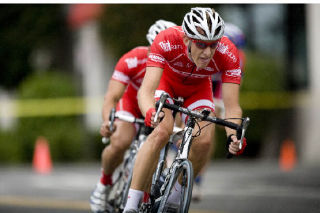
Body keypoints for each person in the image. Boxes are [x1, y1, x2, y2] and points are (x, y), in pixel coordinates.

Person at [123, 7, 247, 213]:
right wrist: (149, 112)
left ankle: (175, 197)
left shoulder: (228, 53)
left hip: (199, 90)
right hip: (167, 84)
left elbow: (232, 106)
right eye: (201, 44)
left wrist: (234, 136)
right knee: (162, 130)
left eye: (213, 45)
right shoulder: (167, 40)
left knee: (205, 140)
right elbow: (146, 90)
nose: (208, 52)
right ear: (187, 39)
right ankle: (131, 204)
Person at [89, 19, 177, 213]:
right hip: (132, 107)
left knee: (159, 145)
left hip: (160, 108)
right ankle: (104, 185)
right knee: (121, 141)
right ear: (149, 45)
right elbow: (112, 96)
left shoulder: (176, 67)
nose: (161, 57)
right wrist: (107, 121)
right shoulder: (133, 59)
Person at [192, 21, 247, 202]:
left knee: (211, 127)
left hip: (220, 82)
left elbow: (239, 67)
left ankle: (198, 179)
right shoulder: (200, 39)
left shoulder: (233, 45)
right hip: (201, 78)